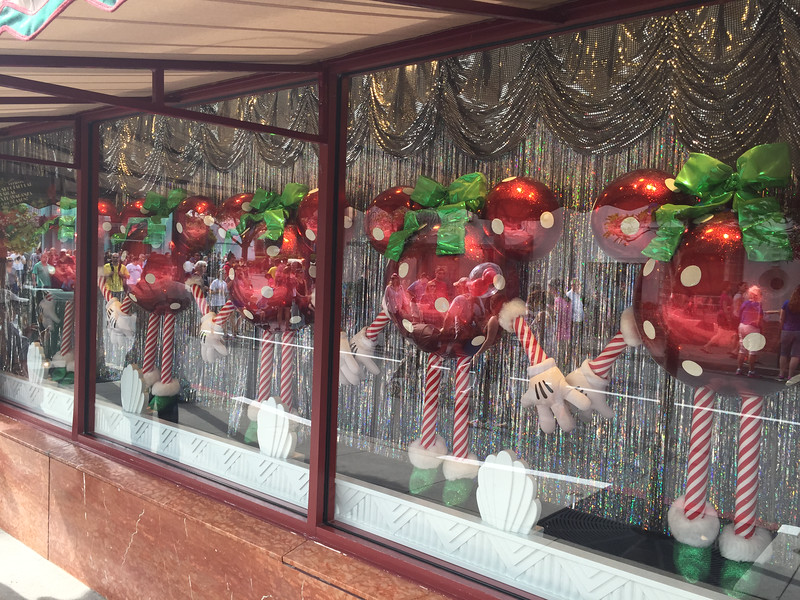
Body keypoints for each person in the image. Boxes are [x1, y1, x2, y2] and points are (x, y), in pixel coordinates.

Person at [736, 285, 764, 377]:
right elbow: (760, 319)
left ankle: (739, 369)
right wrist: (761, 329)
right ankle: (751, 371)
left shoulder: (745, 303)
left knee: (742, 349)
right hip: (752, 327)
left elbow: (740, 314)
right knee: (752, 351)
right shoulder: (758, 304)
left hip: (742, 326)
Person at [778, 285, 800, 381]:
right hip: (798, 331)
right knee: (795, 355)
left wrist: (781, 329)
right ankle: (790, 376)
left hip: (786, 330)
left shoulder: (786, 303)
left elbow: (781, 318)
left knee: (783, 353)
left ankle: (781, 374)